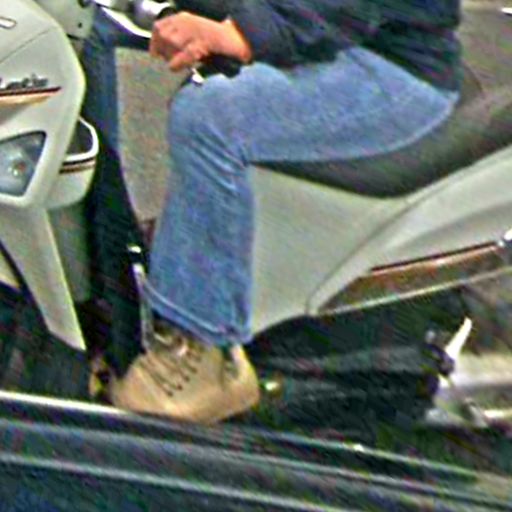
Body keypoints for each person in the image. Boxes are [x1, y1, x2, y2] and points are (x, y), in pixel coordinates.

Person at [84, 1, 462, 424]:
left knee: (210, 119)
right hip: (333, 37)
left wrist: (242, 34)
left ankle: (206, 353)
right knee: (94, 34)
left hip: (391, 67)